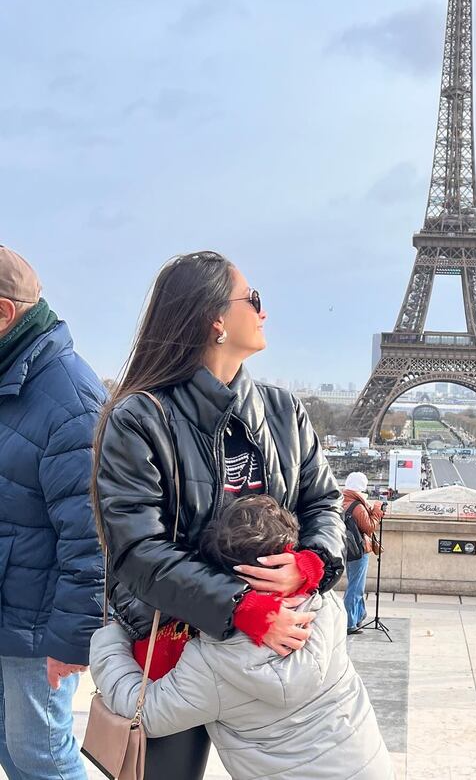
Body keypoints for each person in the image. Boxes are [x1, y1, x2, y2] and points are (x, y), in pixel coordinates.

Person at [93, 251, 346, 777]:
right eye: (253, 300)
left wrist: (312, 563)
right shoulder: (138, 418)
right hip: (174, 642)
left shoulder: (283, 410)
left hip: (271, 642)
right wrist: (239, 608)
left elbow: (323, 504)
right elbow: (137, 551)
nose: (264, 312)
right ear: (216, 318)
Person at [90, 495, 393, 780]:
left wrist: (108, 638)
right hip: (365, 767)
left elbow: (142, 712)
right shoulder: (326, 606)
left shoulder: (216, 663)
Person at [0, 246, 105, 780]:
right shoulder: (13, 376)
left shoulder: (68, 394)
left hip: (36, 628)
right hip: (11, 614)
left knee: (43, 759)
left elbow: (92, 537)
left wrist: (71, 641)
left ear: (4, 313)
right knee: (17, 755)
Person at [343, 472, 385, 635]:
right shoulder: (357, 506)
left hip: (348, 548)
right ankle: (349, 622)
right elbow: (369, 528)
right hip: (359, 549)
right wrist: (376, 512)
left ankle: (359, 614)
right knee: (356, 586)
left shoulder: (342, 501)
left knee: (355, 583)